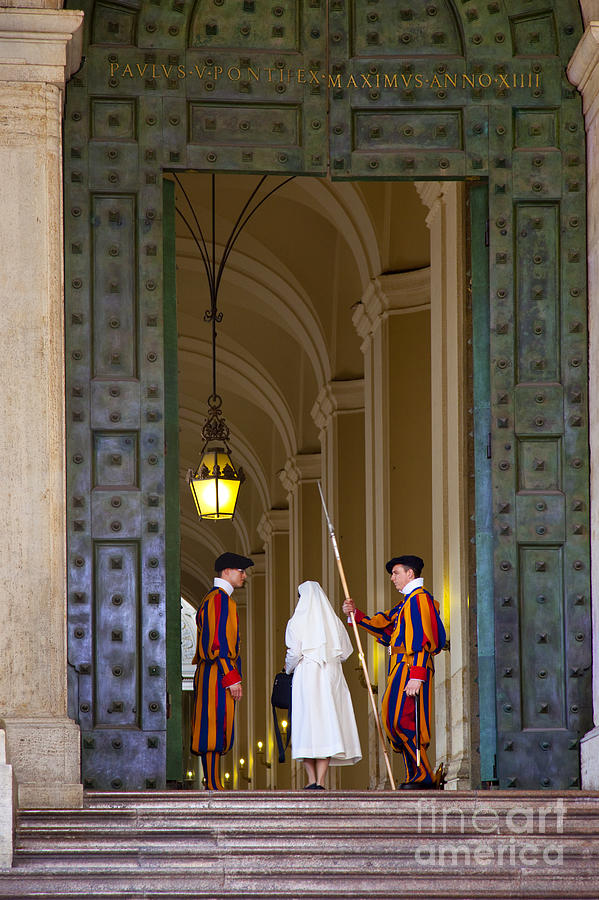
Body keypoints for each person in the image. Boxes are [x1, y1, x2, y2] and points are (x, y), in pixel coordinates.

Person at [343, 555, 446, 789]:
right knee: (394, 721)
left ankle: (423, 774)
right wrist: (355, 615)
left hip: (411, 667)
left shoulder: (419, 600)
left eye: (396, 573)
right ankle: (416, 774)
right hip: (399, 667)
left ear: (411, 574)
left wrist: (418, 674)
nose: (392, 578)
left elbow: (421, 639)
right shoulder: (406, 603)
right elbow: (387, 628)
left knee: (405, 720)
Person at [285, 580, 361, 789]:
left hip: (307, 674)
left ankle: (311, 780)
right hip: (331, 675)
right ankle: (321, 780)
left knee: (307, 725)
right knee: (327, 724)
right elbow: (345, 651)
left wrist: (287, 668)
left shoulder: (297, 621)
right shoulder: (334, 621)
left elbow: (293, 653)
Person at [190, 551, 253, 790]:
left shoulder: (217, 598)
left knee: (217, 723)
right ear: (227, 571)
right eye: (241, 571)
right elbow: (219, 643)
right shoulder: (220, 600)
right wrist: (232, 677)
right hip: (216, 672)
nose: (244, 576)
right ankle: (214, 783)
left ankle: (213, 781)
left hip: (215, 671)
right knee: (213, 724)